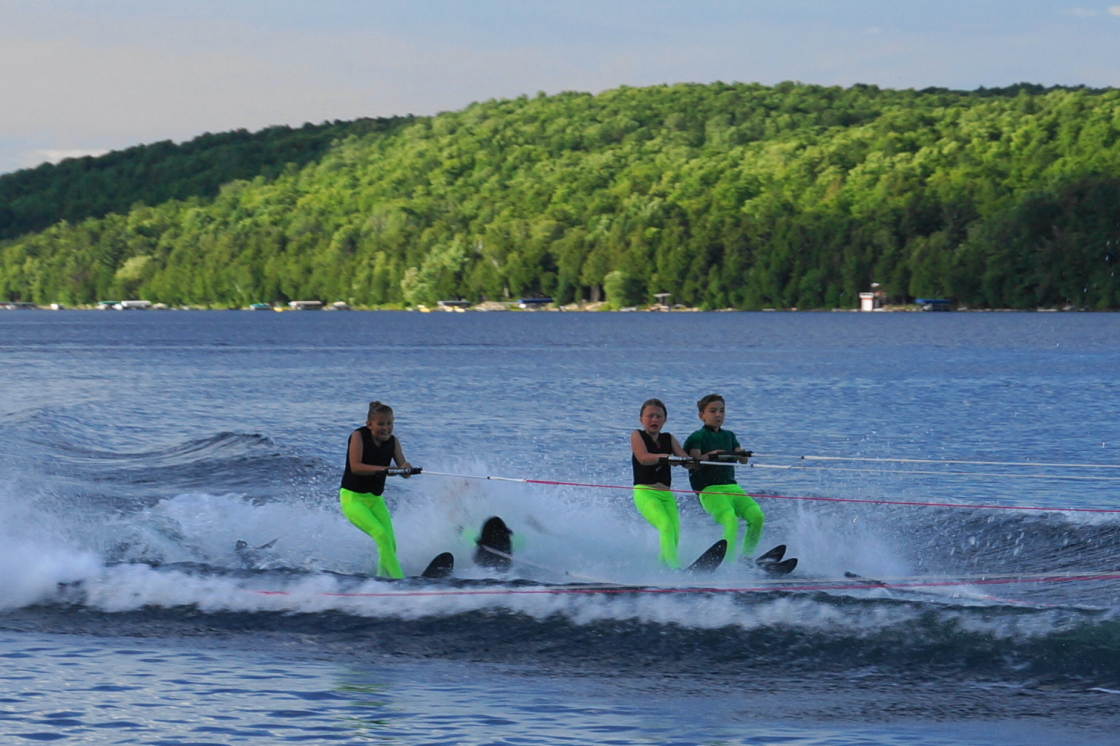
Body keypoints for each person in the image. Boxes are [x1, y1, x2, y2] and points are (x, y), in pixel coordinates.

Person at [683, 393, 764, 562]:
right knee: (730, 520)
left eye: (722, 411)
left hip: (732, 487)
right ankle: (727, 563)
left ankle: (746, 558)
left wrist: (741, 453)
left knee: (757, 516)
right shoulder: (696, 437)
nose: (718, 414)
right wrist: (711, 455)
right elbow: (693, 462)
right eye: (713, 411)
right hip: (708, 489)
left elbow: (743, 460)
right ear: (701, 416)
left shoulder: (729, 436)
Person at [339, 401, 413, 578]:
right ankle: (400, 582)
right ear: (369, 424)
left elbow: (403, 471)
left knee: (390, 544)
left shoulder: (393, 442)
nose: (386, 428)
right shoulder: (358, 436)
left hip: (376, 501)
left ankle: (382, 578)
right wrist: (385, 470)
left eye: (390, 423)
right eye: (381, 424)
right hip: (353, 499)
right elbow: (356, 467)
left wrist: (406, 468)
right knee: (381, 535)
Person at [630, 398, 691, 569]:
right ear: (641, 419)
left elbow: (684, 458)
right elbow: (642, 458)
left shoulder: (668, 438)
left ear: (665, 420)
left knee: (674, 533)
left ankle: (662, 569)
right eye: (650, 416)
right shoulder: (637, 435)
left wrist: (696, 460)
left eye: (658, 416)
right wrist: (666, 458)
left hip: (666, 495)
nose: (654, 419)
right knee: (665, 526)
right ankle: (676, 571)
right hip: (645, 492)